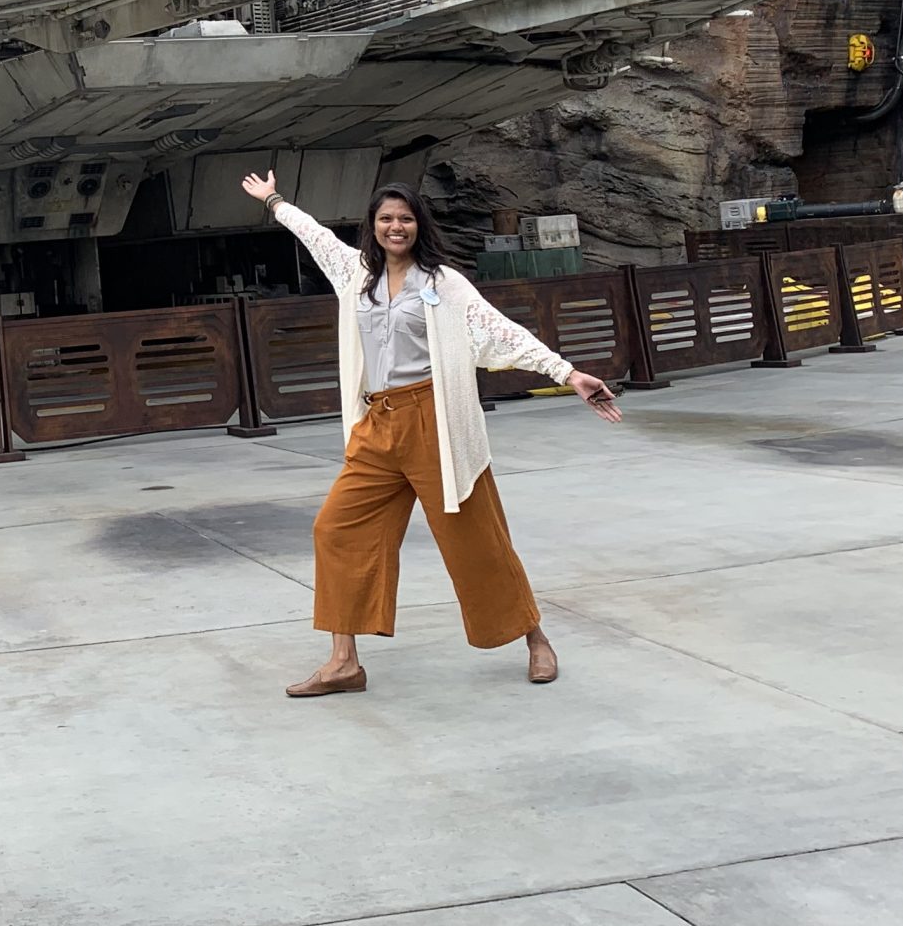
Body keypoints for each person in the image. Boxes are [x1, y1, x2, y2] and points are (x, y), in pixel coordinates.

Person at [241, 170, 622, 696]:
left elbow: (501, 332)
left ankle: (536, 639)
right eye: (385, 219)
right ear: (372, 227)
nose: (395, 227)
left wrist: (567, 373)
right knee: (336, 531)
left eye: (404, 218)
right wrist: (276, 201)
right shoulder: (355, 274)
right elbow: (316, 236)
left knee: (478, 542)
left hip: (433, 422)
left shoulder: (444, 284)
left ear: (419, 225)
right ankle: (343, 663)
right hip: (376, 425)